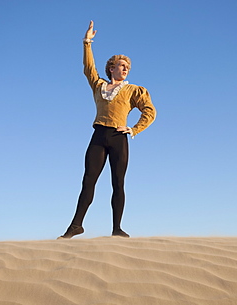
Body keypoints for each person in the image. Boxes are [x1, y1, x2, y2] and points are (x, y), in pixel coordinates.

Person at [58, 21, 156, 239]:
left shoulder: (133, 90)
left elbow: (150, 111)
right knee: (88, 180)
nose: (125, 69)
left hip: (119, 137)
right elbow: (88, 68)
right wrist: (87, 42)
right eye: (121, 66)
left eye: (127, 67)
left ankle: (117, 228)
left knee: (118, 183)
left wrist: (133, 129)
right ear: (111, 68)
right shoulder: (99, 85)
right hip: (99, 135)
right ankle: (76, 225)